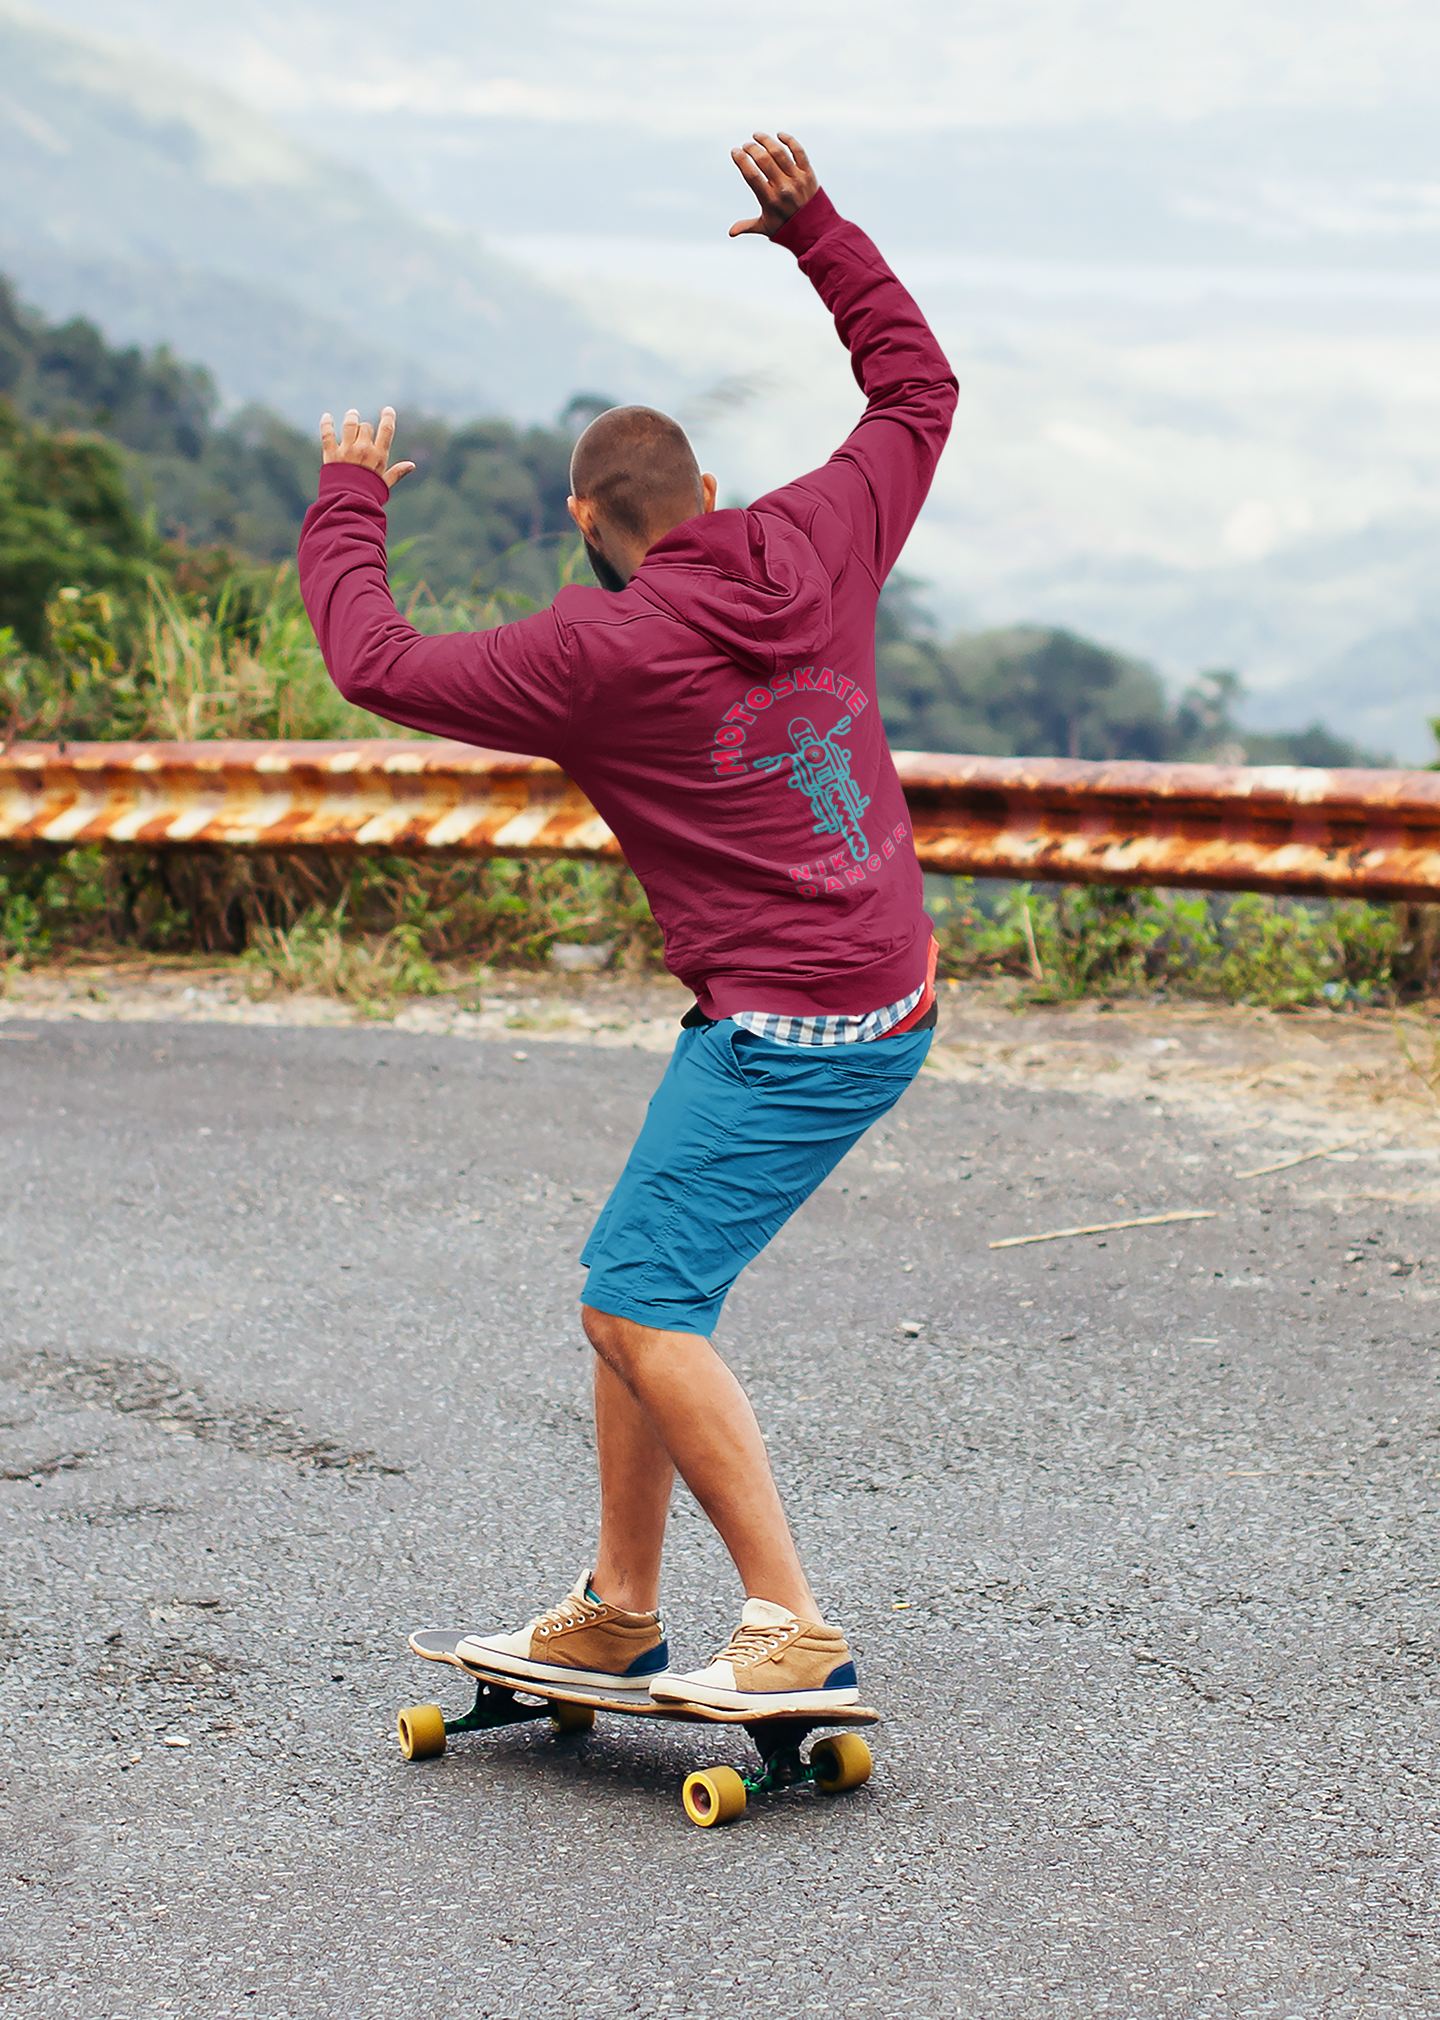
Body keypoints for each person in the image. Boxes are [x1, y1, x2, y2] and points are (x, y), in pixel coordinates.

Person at [298, 132, 957, 1715]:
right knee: (635, 1286)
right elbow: (914, 391)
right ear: (710, 496)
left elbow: (375, 661)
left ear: (588, 518)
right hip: (875, 992)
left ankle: (791, 1619)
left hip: (793, 1033)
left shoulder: (590, 655)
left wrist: (347, 499)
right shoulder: (815, 532)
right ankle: (621, 1607)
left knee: (636, 1299)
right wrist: (815, 231)